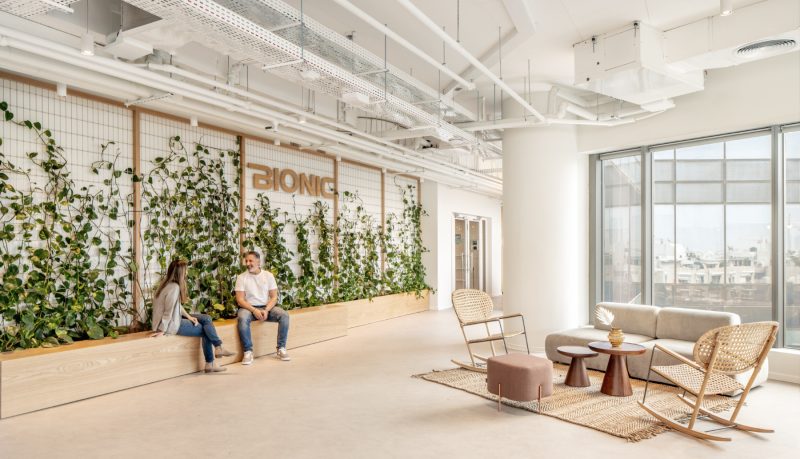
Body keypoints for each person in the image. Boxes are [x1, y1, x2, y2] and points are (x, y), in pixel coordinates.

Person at [151, 259, 234, 373]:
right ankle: (211, 361)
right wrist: (162, 329)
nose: (186, 273)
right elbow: (168, 311)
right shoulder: (174, 287)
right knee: (206, 330)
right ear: (180, 273)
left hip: (174, 318)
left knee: (206, 319)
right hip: (171, 324)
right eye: (185, 271)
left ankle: (218, 349)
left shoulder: (165, 284)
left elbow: (176, 305)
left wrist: (189, 317)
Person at [235, 251, 291, 365]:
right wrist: (254, 310)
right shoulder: (241, 278)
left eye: (250, 261)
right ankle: (248, 352)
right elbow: (240, 300)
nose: (248, 263)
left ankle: (281, 348)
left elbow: (274, 297)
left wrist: (266, 310)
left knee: (284, 315)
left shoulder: (268, 276)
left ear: (258, 262)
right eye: (246, 261)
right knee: (242, 318)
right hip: (248, 308)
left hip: (266, 307)